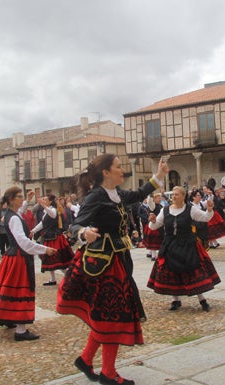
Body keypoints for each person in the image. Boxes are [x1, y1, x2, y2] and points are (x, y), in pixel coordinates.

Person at [57, 154, 168, 385]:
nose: (122, 170)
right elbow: (75, 224)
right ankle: (108, 373)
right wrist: (83, 233)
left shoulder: (117, 194)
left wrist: (158, 176)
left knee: (105, 315)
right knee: (111, 315)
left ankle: (86, 360)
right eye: (118, 167)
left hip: (118, 259)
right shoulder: (96, 196)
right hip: (103, 266)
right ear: (106, 172)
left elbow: (139, 193)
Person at [0, 188, 56, 341]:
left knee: (11, 290)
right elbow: (23, 242)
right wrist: (44, 249)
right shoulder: (13, 218)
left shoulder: (12, 215)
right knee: (21, 290)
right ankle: (20, 329)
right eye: (18, 197)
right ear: (11, 200)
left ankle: (9, 319)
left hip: (14, 256)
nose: (21, 200)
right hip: (18, 257)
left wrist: (26, 199)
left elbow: (20, 211)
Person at [147, 185, 221, 310]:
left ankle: (202, 299)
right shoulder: (165, 210)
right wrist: (153, 221)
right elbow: (153, 227)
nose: (174, 196)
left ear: (183, 196)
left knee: (192, 270)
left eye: (176, 194)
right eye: (173, 194)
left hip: (187, 244)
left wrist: (209, 209)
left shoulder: (190, 209)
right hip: (170, 245)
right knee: (172, 271)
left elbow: (205, 217)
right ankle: (175, 300)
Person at [30, 194, 74, 286]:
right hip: (49, 237)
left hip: (55, 237)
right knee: (49, 258)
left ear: (50, 201)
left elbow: (53, 215)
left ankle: (68, 276)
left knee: (56, 258)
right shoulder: (46, 211)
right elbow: (42, 223)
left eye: (45, 199)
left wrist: (44, 206)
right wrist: (33, 231)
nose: (43, 201)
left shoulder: (52, 209)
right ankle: (53, 279)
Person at [142, 193, 165, 261]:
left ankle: (149, 253)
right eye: (158, 198)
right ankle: (153, 256)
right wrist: (151, 195)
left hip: (159, 225)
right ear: (154, 199)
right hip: (153, 225)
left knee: (157, 240)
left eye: (160, 198)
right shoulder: (153, 206)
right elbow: (149, 201)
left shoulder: (161, 205)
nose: (160, 199)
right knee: (153, 241)